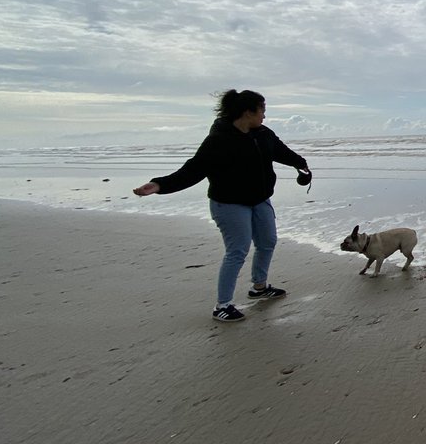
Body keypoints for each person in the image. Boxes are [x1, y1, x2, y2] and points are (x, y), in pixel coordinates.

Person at [133, 89, 311, 322]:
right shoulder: (219, 139)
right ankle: (223, 305)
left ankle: (259, 287)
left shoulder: (263, 134)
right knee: (237, 250)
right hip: (229, 203)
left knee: (267, 241)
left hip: (260, 199)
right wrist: (159, 185)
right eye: (262, 111)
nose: (264, 116)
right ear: (248, 112)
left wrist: (302, 165)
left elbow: (281, 151)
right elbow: (193, 170)